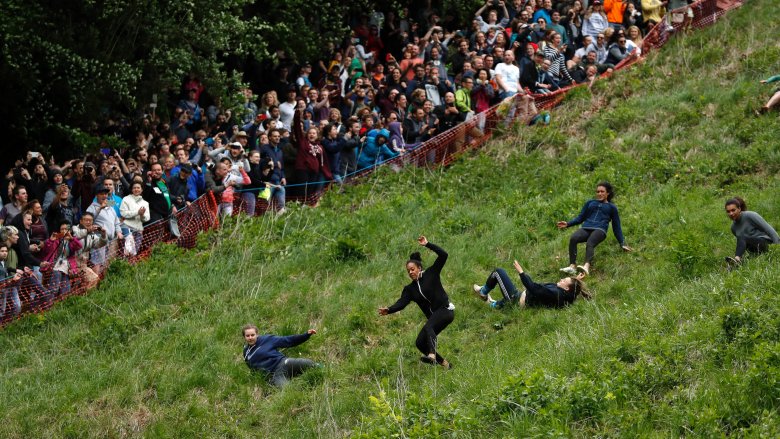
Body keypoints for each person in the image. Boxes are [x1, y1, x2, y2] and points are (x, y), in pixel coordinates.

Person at [378, 236, 454, 369]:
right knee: (419, 343)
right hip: (435, 317)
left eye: (412, 269)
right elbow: (401, 303)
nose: (410, 272)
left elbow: (444, 255)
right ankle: (446, 365)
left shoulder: (431, 273)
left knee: (428, 327)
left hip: (446, 311)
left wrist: (427, 244)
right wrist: (389, 310)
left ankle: (431, 355)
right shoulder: (410, 289)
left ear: (419, 267)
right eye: (408, 271)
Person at [557, 182, 631, 276]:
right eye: (598, 191)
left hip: (600, 230)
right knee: (573, 238)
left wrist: (622, 243)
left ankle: (586, 267)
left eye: (602, 191)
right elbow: (580, 218)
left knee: (590, 243)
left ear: (607, 193)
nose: (599, 193)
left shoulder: (612, 207)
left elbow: (616, 227)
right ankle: (572, 266)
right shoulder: (590, 203)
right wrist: (568, 224)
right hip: (587, 227)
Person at [473, 260, 590, 309]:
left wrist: (521, 272)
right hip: (520, 298)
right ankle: (493, 304)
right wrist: (576, 280)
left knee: (498, 272)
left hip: (516, 299)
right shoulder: (566, 295)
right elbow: (572, 289)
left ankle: (483, 292)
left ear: (566, 288)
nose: (561, 279)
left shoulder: (555, 293)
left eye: (564, 280)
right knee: (497, 304)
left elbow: (533, 288)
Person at [241, 323, 320, 387]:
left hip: (283, 363)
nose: (250, 338)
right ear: (244, 337)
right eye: (247, 336)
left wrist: (306, 335)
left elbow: (288, 340)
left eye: (252, 335)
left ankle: (323, 369)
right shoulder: (246, 353)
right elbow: (253, 369)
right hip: (274, 374)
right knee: (285, 389)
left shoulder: (267, 339)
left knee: (306, 363)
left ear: (257, 334)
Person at [724, 197, 779, 267]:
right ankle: (736, 262)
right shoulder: (733, 228)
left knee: (742, 237)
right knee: (742, 239)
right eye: (728, 211)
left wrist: (777, 245)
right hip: (754, 249)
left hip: (765, 243)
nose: (731, 213)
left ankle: (737, 259)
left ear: (739, 209)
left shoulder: (750, 215)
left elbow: (768, 229)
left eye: (733, 210)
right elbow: (743, 243)